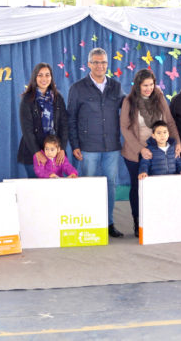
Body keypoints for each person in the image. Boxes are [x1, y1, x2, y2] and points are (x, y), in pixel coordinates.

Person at [67, 47, 125, 237]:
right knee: (89, 185)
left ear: (108, 64)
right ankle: (91, 221)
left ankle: (108, 223)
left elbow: (128, 109)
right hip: (88, 146)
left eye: (104, 62)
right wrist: (75, 144)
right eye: (96, 62)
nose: (100, 66)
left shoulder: (116, 87)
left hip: (112, 147)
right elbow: (71, 118)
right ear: (89, 64)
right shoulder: (77, 88)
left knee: (110, 185)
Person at [120, 69, 180, 237]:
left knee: (158, 188)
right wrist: (141, 149)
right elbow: (124, 127)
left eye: (151, 85)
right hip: (135, 152)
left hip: (159, 151)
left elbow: (169, 121)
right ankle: (137, 221)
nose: (148, 88)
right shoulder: (129, 101)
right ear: (138, 85)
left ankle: (157, 220)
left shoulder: (159, 97)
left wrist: (178, 142)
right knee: (138, 187)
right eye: (145, 85)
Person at [17, 63, 69, 178]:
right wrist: (37, 152)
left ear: (51, 77)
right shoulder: (27, 99)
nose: (44, 79)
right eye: (40, 75)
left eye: (47, 75)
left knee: (54, 190)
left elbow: (64, 125)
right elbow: (27, 129)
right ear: (35, 77)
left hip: (54, 151)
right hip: (32, 152)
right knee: (36, 191)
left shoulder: (57, 98)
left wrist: (62, 149)